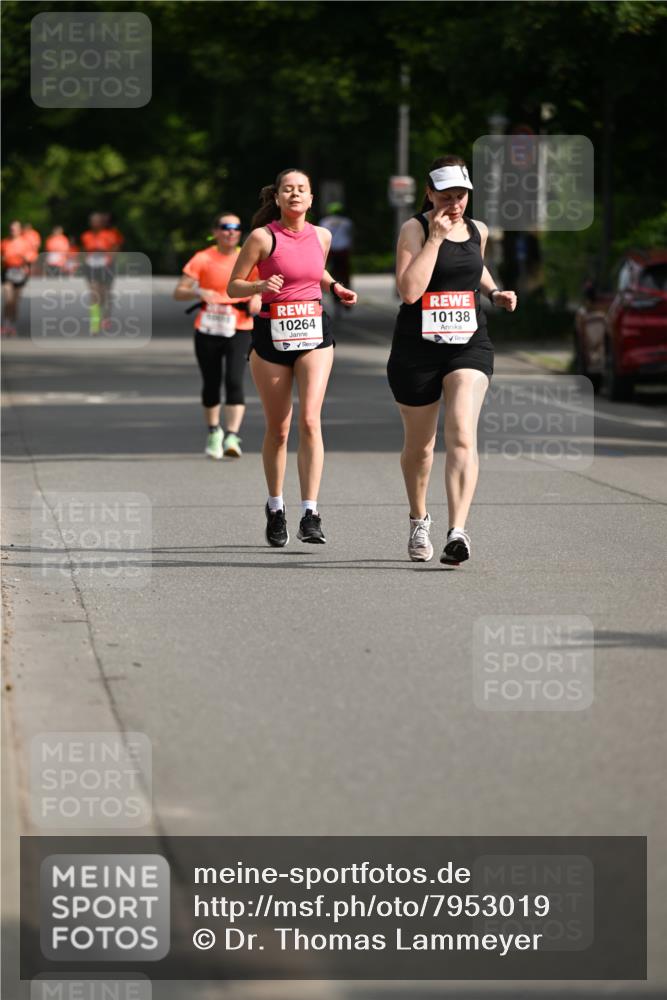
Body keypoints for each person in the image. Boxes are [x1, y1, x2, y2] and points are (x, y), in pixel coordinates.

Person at [387, 155, 517, 566]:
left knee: (462, 431)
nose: (455, 203)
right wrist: (435, 240)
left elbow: (474, 268)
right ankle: (418, 518)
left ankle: (457, 532)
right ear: (429, 194)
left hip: (468, 345)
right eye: (446, 196)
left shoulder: (478, 229)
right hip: (417, 349)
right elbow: (409, 291)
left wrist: (495, 293)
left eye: (461, 195)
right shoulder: (415, 229)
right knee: (421, 447)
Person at [228, 168, 356, 547]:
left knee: (311, 421)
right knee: (279, 429)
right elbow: (233, 284)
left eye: (302, 190)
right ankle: (276, 507)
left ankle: (311, 513)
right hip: (271, 333)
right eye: (289, 190)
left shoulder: (323, 235)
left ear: (311, 198)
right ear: (278, 198)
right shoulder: (262, 238)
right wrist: (258, 284)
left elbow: (313, 270)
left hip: (314, 332)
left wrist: (335, 285)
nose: (295, 195)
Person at [174, 212, 262, 459]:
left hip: (240, 326)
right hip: (208, 327)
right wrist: (198, 292)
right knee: (211, 382)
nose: (230, 232)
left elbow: (265, 285)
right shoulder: (203, 258)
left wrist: (257, 297)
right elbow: (179, 291)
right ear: (215, 231)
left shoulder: (248, 255)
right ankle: (214, 431)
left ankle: (232, 435)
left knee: (234, 380)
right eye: (225, 227)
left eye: (236, 227)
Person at [80, 212, 124, 332]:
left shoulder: (110, 234)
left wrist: (109, 258)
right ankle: (95, 321)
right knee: (94, 293)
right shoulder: (86, 235)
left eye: (97, 221)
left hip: (107, 266)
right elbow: (83, 250)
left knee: (105, 293)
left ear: (102, 223)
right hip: (92, 266)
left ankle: (106, 316)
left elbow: (116, 248)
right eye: (92, 221)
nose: (95, 223)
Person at [318, 202, 354, 310]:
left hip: (331, 250)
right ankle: (347, 296)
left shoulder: (324, 222)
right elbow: (350, 236)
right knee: (345, 274)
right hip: (343, 250)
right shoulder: (347, 222)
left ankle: (334, 296)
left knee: (330, 274)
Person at [1, 221, 33, 336]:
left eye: (14, 229)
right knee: (8, 299)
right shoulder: (4, 242)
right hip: (8, 272)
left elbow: (31, 257)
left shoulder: (25, 243)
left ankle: (13, 325)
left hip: (20, 273)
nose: (12, 231)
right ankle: (5, 324)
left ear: (19, 230)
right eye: (11, 229)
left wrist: (25, 259)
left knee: (15, 302)